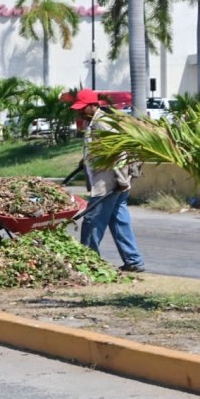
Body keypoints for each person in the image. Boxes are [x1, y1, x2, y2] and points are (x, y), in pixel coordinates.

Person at [70, 88, 146, 273]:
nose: (79, 111)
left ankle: (88, 261)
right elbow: (99, 148)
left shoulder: (102, 123)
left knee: (92, 220)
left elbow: (118, 151)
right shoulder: (93, 121)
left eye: (83, 108)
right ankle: (133, 260)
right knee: (119, 221)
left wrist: (120, 179)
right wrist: (86, 160)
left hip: (110, 182)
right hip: (112, 180)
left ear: (93, 105)